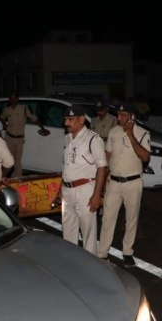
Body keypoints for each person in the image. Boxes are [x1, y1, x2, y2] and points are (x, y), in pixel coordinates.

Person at [97, 102, 150, 267]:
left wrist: (131, 135)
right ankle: (102, 253)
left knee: (131, 219)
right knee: (107, 218)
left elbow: (145, 157)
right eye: (118, 115)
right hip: (113, 182)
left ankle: (127, 252)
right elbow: (107, 157)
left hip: (133, 183)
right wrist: (100, 182)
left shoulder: (143, 133)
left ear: (132, 117)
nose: (119, 118)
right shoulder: (113, 132)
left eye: (123, 115)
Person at [51, 105, 107, 255]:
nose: (66, 123)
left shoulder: (93, 139)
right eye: (65, 119)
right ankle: (71, 261)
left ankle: (90, 263)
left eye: (70, 119)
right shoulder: (67, 138)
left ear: (81, 119)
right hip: (67, 191)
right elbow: (66, 167)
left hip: (85, 190)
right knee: (68, 231)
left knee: (88, 233)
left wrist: (97, 195)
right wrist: (60, 191)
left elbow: (102, 168)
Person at [0, 92, 47, 177]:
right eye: (11, 98)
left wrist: (42, 128)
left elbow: (34, 118)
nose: (13, 100)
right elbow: (1, 117)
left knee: (17, 161)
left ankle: (17, 178)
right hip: (9, 138)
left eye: (15, 98)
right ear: (9, 99)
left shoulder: (23, 109)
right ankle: (1, 177)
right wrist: (4, 124)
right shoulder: (7, 110)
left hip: (19, 140)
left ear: (18, 99)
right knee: (9, 160)